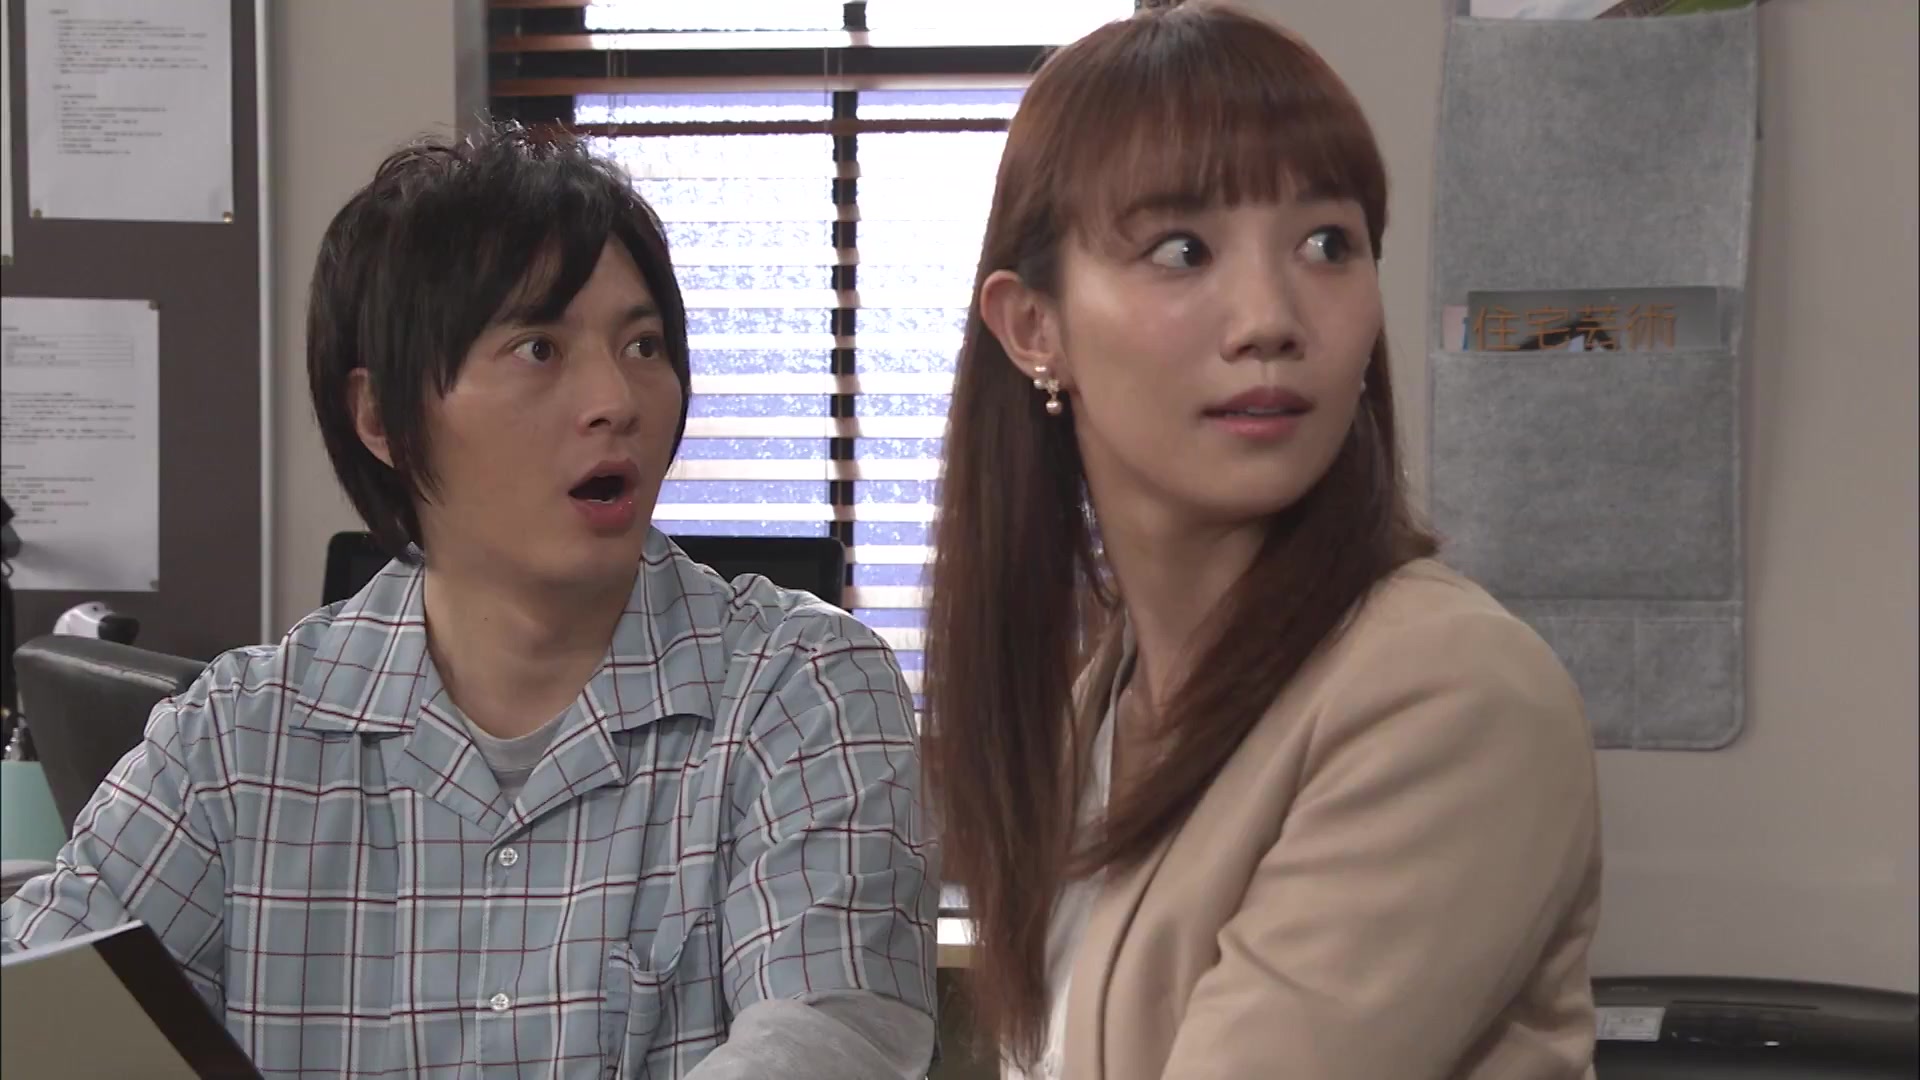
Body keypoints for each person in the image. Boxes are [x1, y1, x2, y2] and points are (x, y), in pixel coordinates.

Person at [2, 124, 937, 1079]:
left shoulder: (801, 688)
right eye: (539, 347)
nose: (617, 399)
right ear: (383, 418)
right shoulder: (236, 743)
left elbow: (827, 1039)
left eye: (643, 344)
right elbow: (41, 1009)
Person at [922, 5, 1602, 1080]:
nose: (1271, 317)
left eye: (1328, 244)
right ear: (1033, 327)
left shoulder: (1452, 693)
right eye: (1182, 250)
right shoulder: (1099, 706)